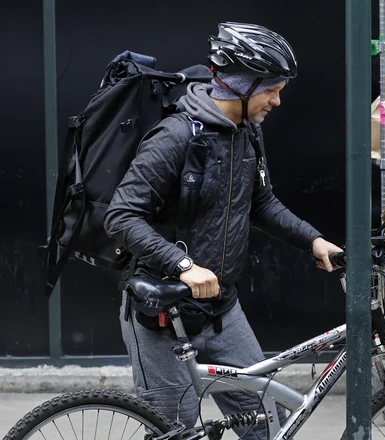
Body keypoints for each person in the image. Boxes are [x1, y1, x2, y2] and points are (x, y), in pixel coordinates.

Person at [103, 21, 343, 439]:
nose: (277, 100)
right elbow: (121, 216)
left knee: (265, 422)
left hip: (221, 310)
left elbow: (262, 202)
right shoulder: (175, 136)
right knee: (174, 430)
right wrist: (182, 265)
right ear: (242, 83)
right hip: (162, 312)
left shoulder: (248, 134)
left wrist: (312, 240)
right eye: (271, 89)